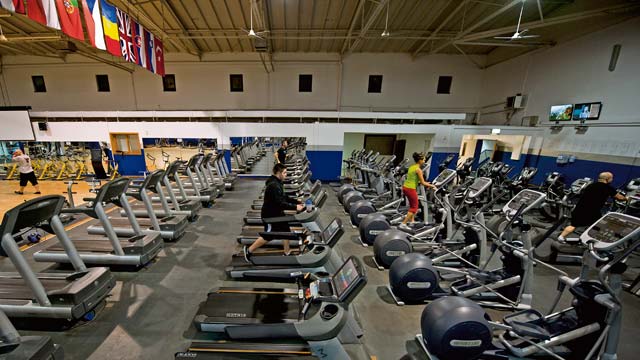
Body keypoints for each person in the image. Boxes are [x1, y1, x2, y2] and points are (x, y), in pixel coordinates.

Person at [244, 163, 304, 261]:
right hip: (270, 215)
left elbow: (284, 197)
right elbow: (279, 203)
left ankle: (287, 252)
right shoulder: (273, 185)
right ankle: (249, 250)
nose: (286, 175)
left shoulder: (278, 182)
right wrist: (295, 207)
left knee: (286, 231)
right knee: (269, 235)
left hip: (277, 213)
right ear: (278, 173)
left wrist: (297, 201)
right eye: (284, 173)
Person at [558, 171, 627, 241]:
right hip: (593, 211)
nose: (612, 179)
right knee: (600, 226)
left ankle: (561, 237)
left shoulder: (590, 185)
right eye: (611, 178)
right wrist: (627, 198)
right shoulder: (608, 188)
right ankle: (594, 241)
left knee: (573, 225)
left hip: (580, 208)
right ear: (607, 179)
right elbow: (620, 198)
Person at [399, 152, 437, 229]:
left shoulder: (411, 167)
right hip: (411, 189)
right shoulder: (418, 170)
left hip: (406, 187)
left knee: (412, 205)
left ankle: (412, 221)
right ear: (419, 160)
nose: (424, 161)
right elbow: (423, 183)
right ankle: (403, 224)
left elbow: (414, 179)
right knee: (414, 207)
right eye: (423, 160)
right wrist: (433, 186)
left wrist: (427, 183)